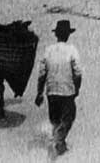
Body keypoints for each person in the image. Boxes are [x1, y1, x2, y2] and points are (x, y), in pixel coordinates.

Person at [35, 20, 82, 157]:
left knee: (55, 119)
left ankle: (60, 146)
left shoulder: (48, 50)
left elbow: (42, 74)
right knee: (69, 117)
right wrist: (77, 88)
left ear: (56, 35)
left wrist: (39, 93)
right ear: (67, 35)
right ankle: (58, 143)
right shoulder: (72, 49)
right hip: (67, 90)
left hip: (51, 91)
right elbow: (78, 73)